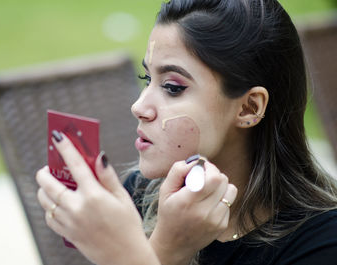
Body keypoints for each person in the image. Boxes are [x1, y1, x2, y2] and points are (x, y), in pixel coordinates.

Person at [36, 0, 337, 264]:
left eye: (172, 87)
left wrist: (154, 251)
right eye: (146, 78)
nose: (139, 106)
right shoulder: (138, 195)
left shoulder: (322, 243)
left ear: (248, 108)